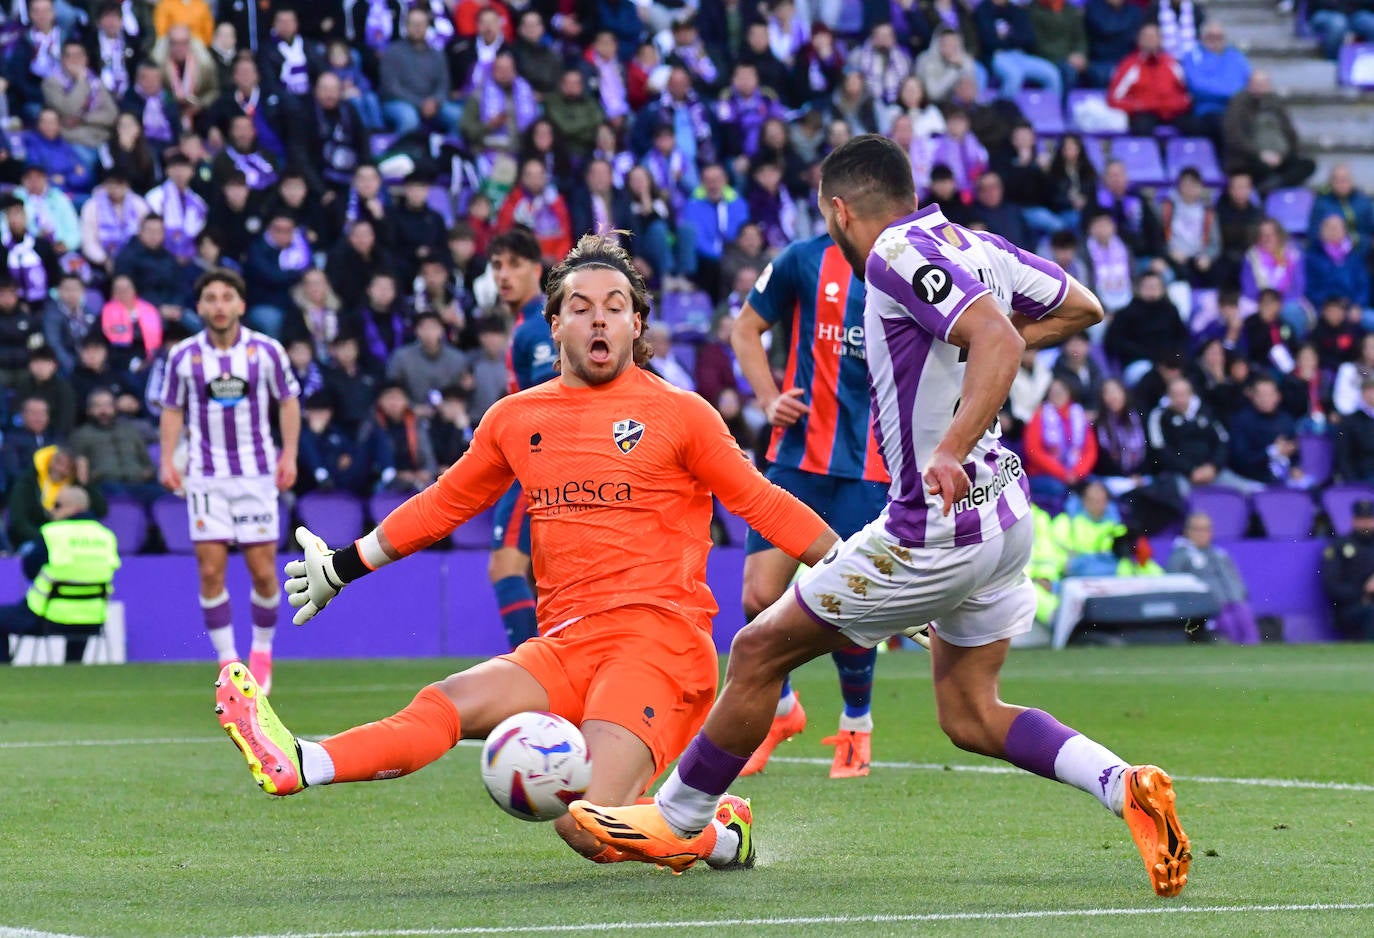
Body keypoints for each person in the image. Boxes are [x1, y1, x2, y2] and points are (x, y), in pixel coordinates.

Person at [568, 135, 1191, 900]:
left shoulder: (893, 252)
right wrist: (970, 363)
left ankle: (679, 816)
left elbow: (993, 336)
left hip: (933, 524)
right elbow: (1082, 306)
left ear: (838, 210)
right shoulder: (968, 241)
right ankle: (1123, 783)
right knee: (970, 712)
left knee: (760, 649)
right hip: (1003, 514)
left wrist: (955, 436)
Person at [215, 233, 836, 872]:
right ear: (554, 325)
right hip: (564, 646)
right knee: (446, 702)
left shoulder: (682, 414)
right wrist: (344, 565)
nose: (599, 317)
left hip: (659, 648)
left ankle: (721, 831)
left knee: (588, 828)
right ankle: (302, 762)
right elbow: (444, 503)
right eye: (581, 306)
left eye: (616, 305)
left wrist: (859, 567)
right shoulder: (516, 417)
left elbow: (763, 502)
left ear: (636, 324)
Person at [728, 227, 891, 778]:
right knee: (758, 596)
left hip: (867, 467)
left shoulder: (903, 265)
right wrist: (769, 397)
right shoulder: (803, 259)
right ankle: (782, 709)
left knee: (851, 605)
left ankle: (856, 725)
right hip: (796, 460)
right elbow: (745, 330)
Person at [158, 269, 300, 692]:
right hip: (205, 476)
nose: (219, 306)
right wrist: (168, 459)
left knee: (263, 572)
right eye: (211, 298)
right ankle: (228, 662)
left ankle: (261, 650)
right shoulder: (183, 356)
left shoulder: (266, 351)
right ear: (200, 307)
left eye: (226, 298)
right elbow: (171, 409)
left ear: (240, 304)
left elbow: (288, 400)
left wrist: (288, 453)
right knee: (210, 570)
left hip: (255, 475)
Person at [486, 227, 554, 649]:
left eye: (514, 265)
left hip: (538, 467)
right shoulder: (526, 327)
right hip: (545, 466)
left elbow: (553, 398)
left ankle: (531, 674)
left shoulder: (537, 328)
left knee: (506, 567)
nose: (503, 275)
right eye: (496, 266)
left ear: (537, 270)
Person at [0, 486, 119, 666]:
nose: (52, 510)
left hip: (47, 616)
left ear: (75, 508)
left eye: (57, 505)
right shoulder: (106, 536)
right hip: (93, 618)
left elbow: (30, 569)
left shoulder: (52, 534)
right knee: (79, 612)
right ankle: (73, 666)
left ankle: (5, 672)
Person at [1166, 512, 1260, 645]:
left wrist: (1240, 595)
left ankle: (1253, 655)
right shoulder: (1180, 556)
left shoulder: (1220, 554)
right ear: (1187, 531)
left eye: (1206, 529)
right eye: (1197, 529)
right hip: (1208, 607)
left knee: (1245, 617)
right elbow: (1174, 583)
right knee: (1227, 622)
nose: (1202, 533)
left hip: (1233, 601)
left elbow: (1235, 578)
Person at [1320, 498, 1374, 641]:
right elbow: (1331, 586)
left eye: (1369, 519)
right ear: (1354, 521)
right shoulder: (1340, 546)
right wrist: (1364, 591)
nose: (1365, 524)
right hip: (1350, 608)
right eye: (1361, 520)